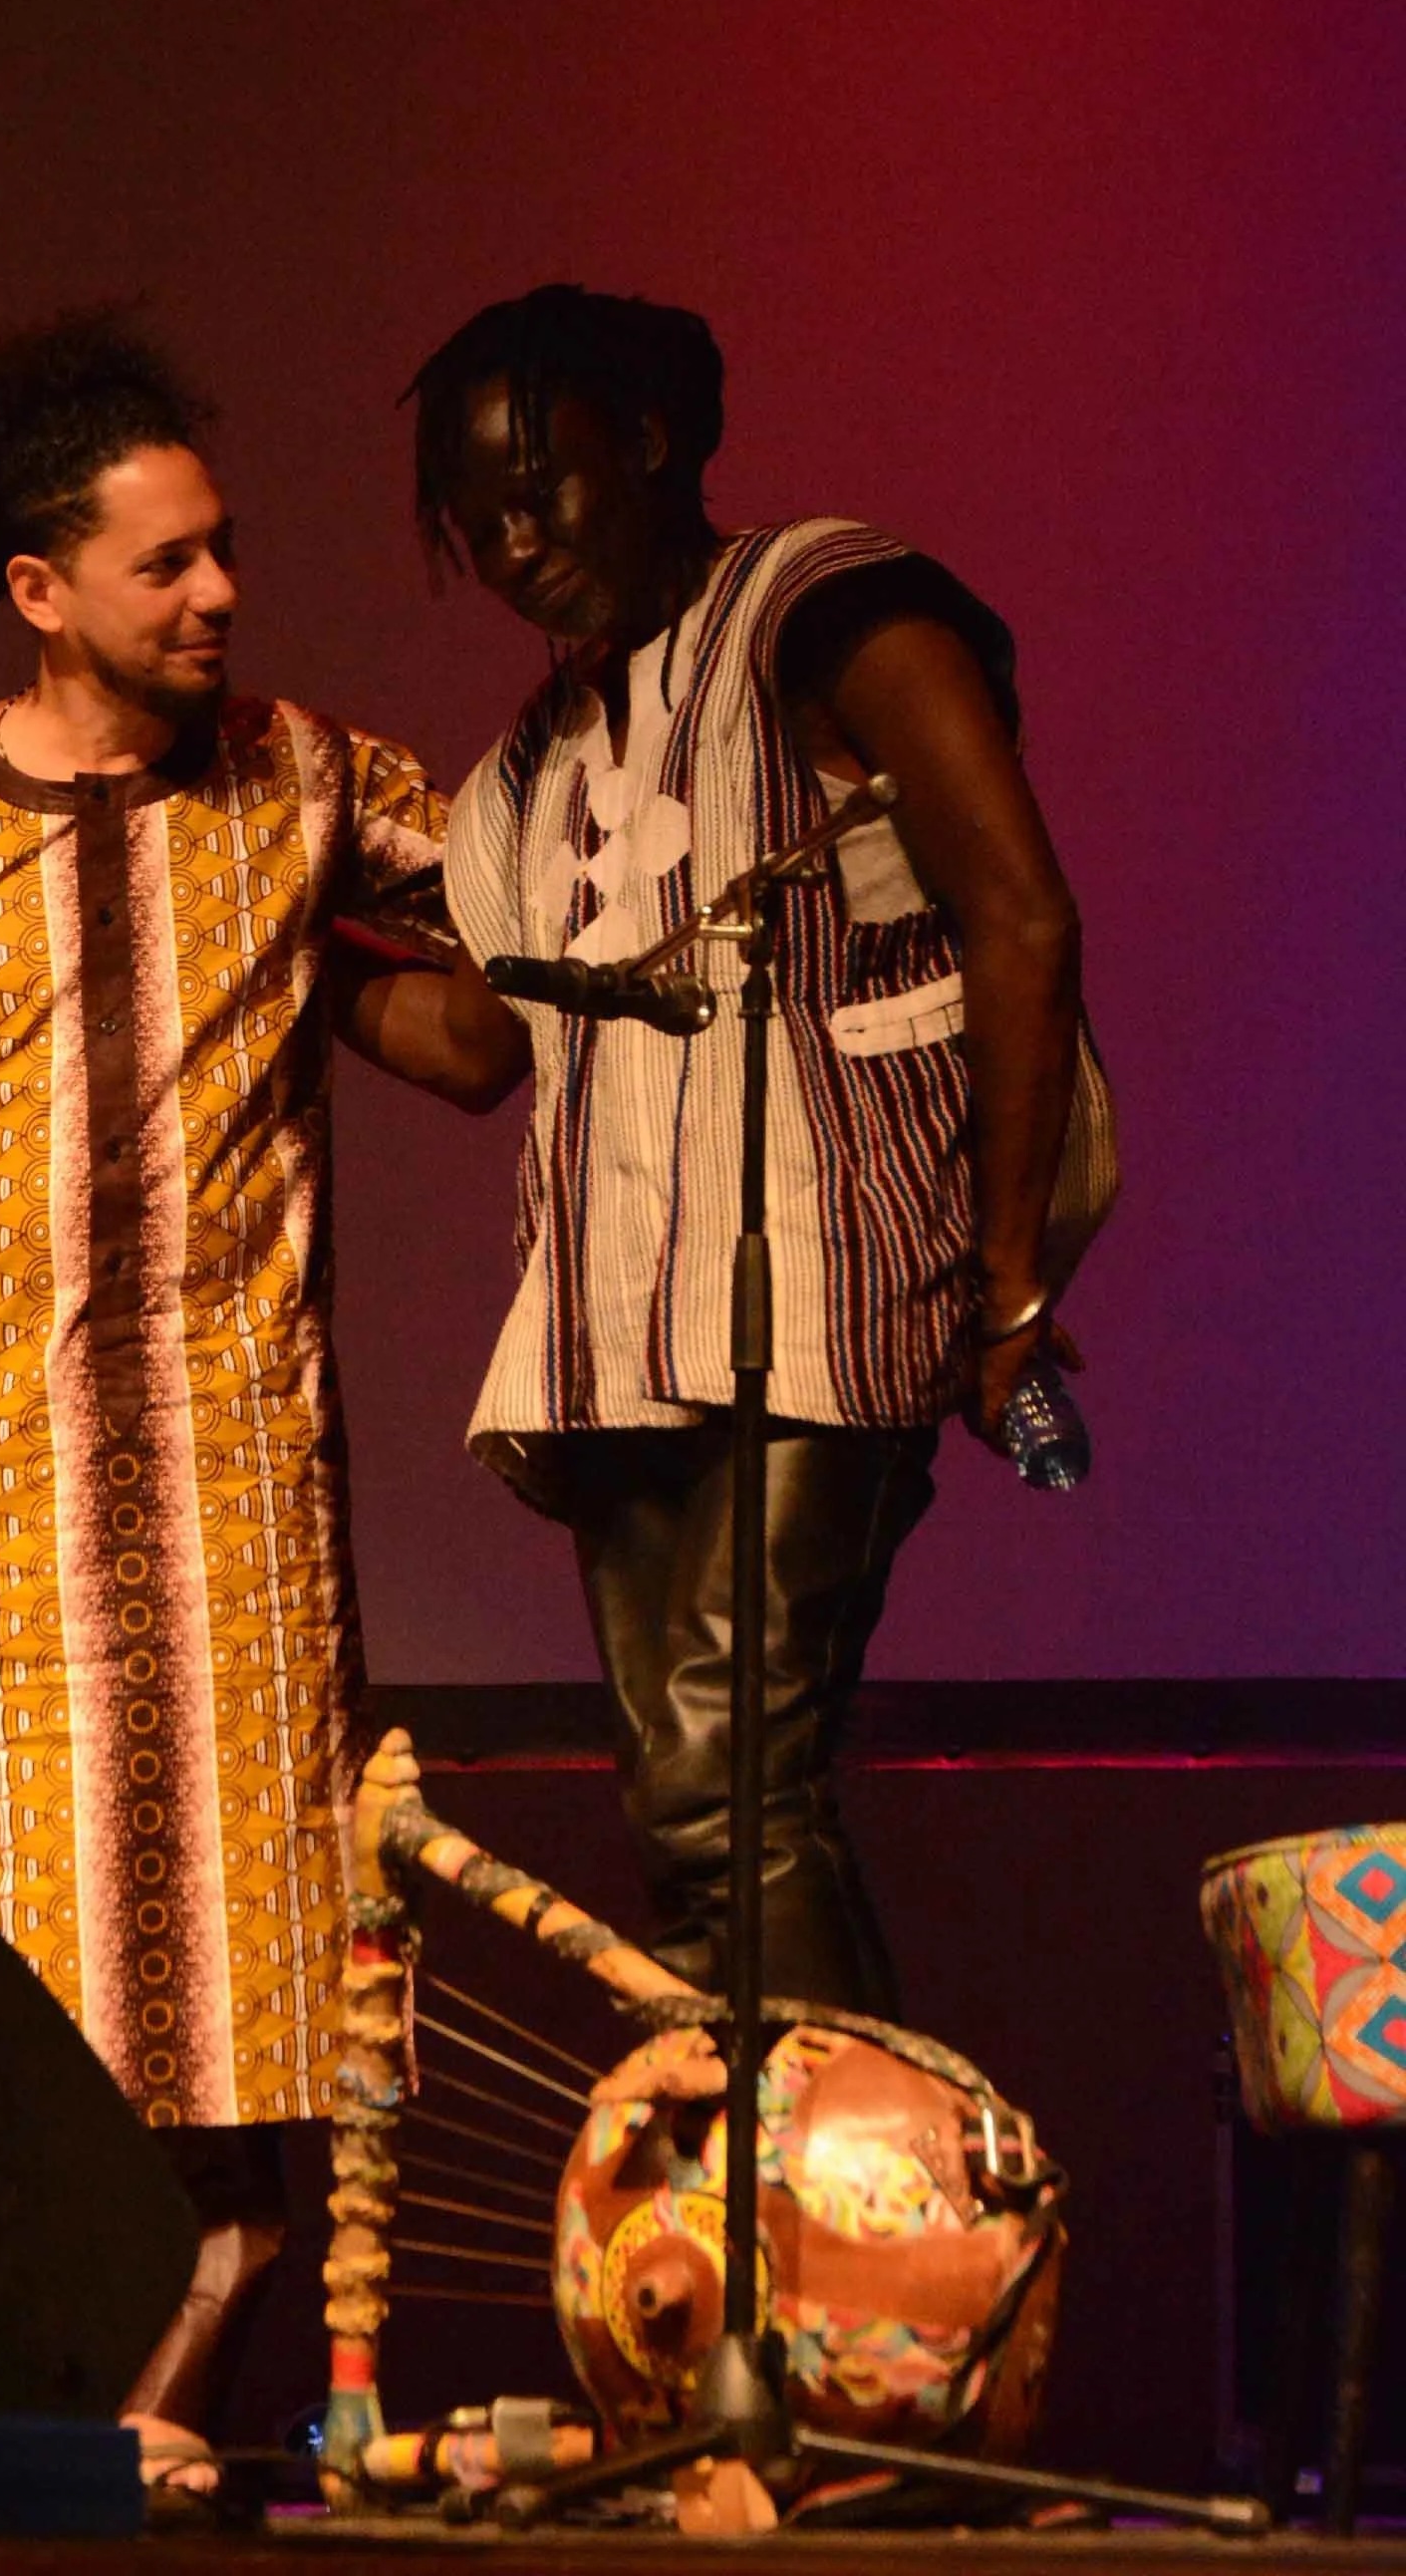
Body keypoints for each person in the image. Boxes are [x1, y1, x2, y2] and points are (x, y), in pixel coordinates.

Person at [0, 309, 485, 2468]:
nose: (220, 594)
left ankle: (140, 2434)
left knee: (243, 2003)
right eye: (165, 565)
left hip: (234, 1500)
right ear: (41, 589)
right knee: (11, 1980)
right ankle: (29, 2421)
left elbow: (521, 928)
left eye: (223, 550)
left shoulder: (309, 783)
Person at [387, 283, 1118, 2020]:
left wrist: (1008, 1284)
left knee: (727, 1789)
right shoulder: (525, 773)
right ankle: (781, 2209)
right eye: (476, 522)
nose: (513, 540)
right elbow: (487, 1044)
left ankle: (863, 2233)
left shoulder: (831, 613)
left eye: (541, 486)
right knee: (695, 1815)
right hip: (620, 1329)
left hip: (823, 1284)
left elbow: (1019, 917)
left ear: (646, 444)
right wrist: (291, 950)